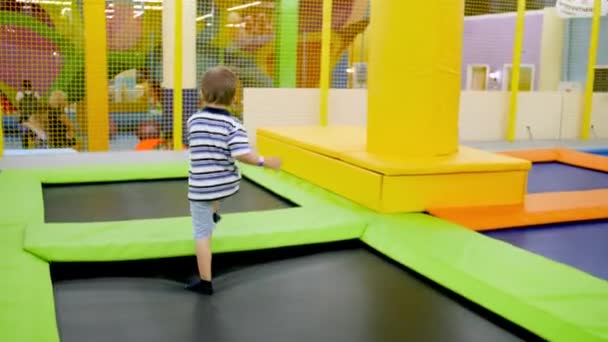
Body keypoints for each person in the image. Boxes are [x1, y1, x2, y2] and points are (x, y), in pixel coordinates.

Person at [185, 66, 281, 295]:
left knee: (201, 235)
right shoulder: (234, 125)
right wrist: (264, 161)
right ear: (235, 97)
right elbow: (241, 154)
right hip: (228, 184)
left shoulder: (193, 121)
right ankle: (214, 213)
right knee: (215, 195)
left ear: (201, 93)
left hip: (201, 188)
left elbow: (197, 145)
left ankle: (205, 282)